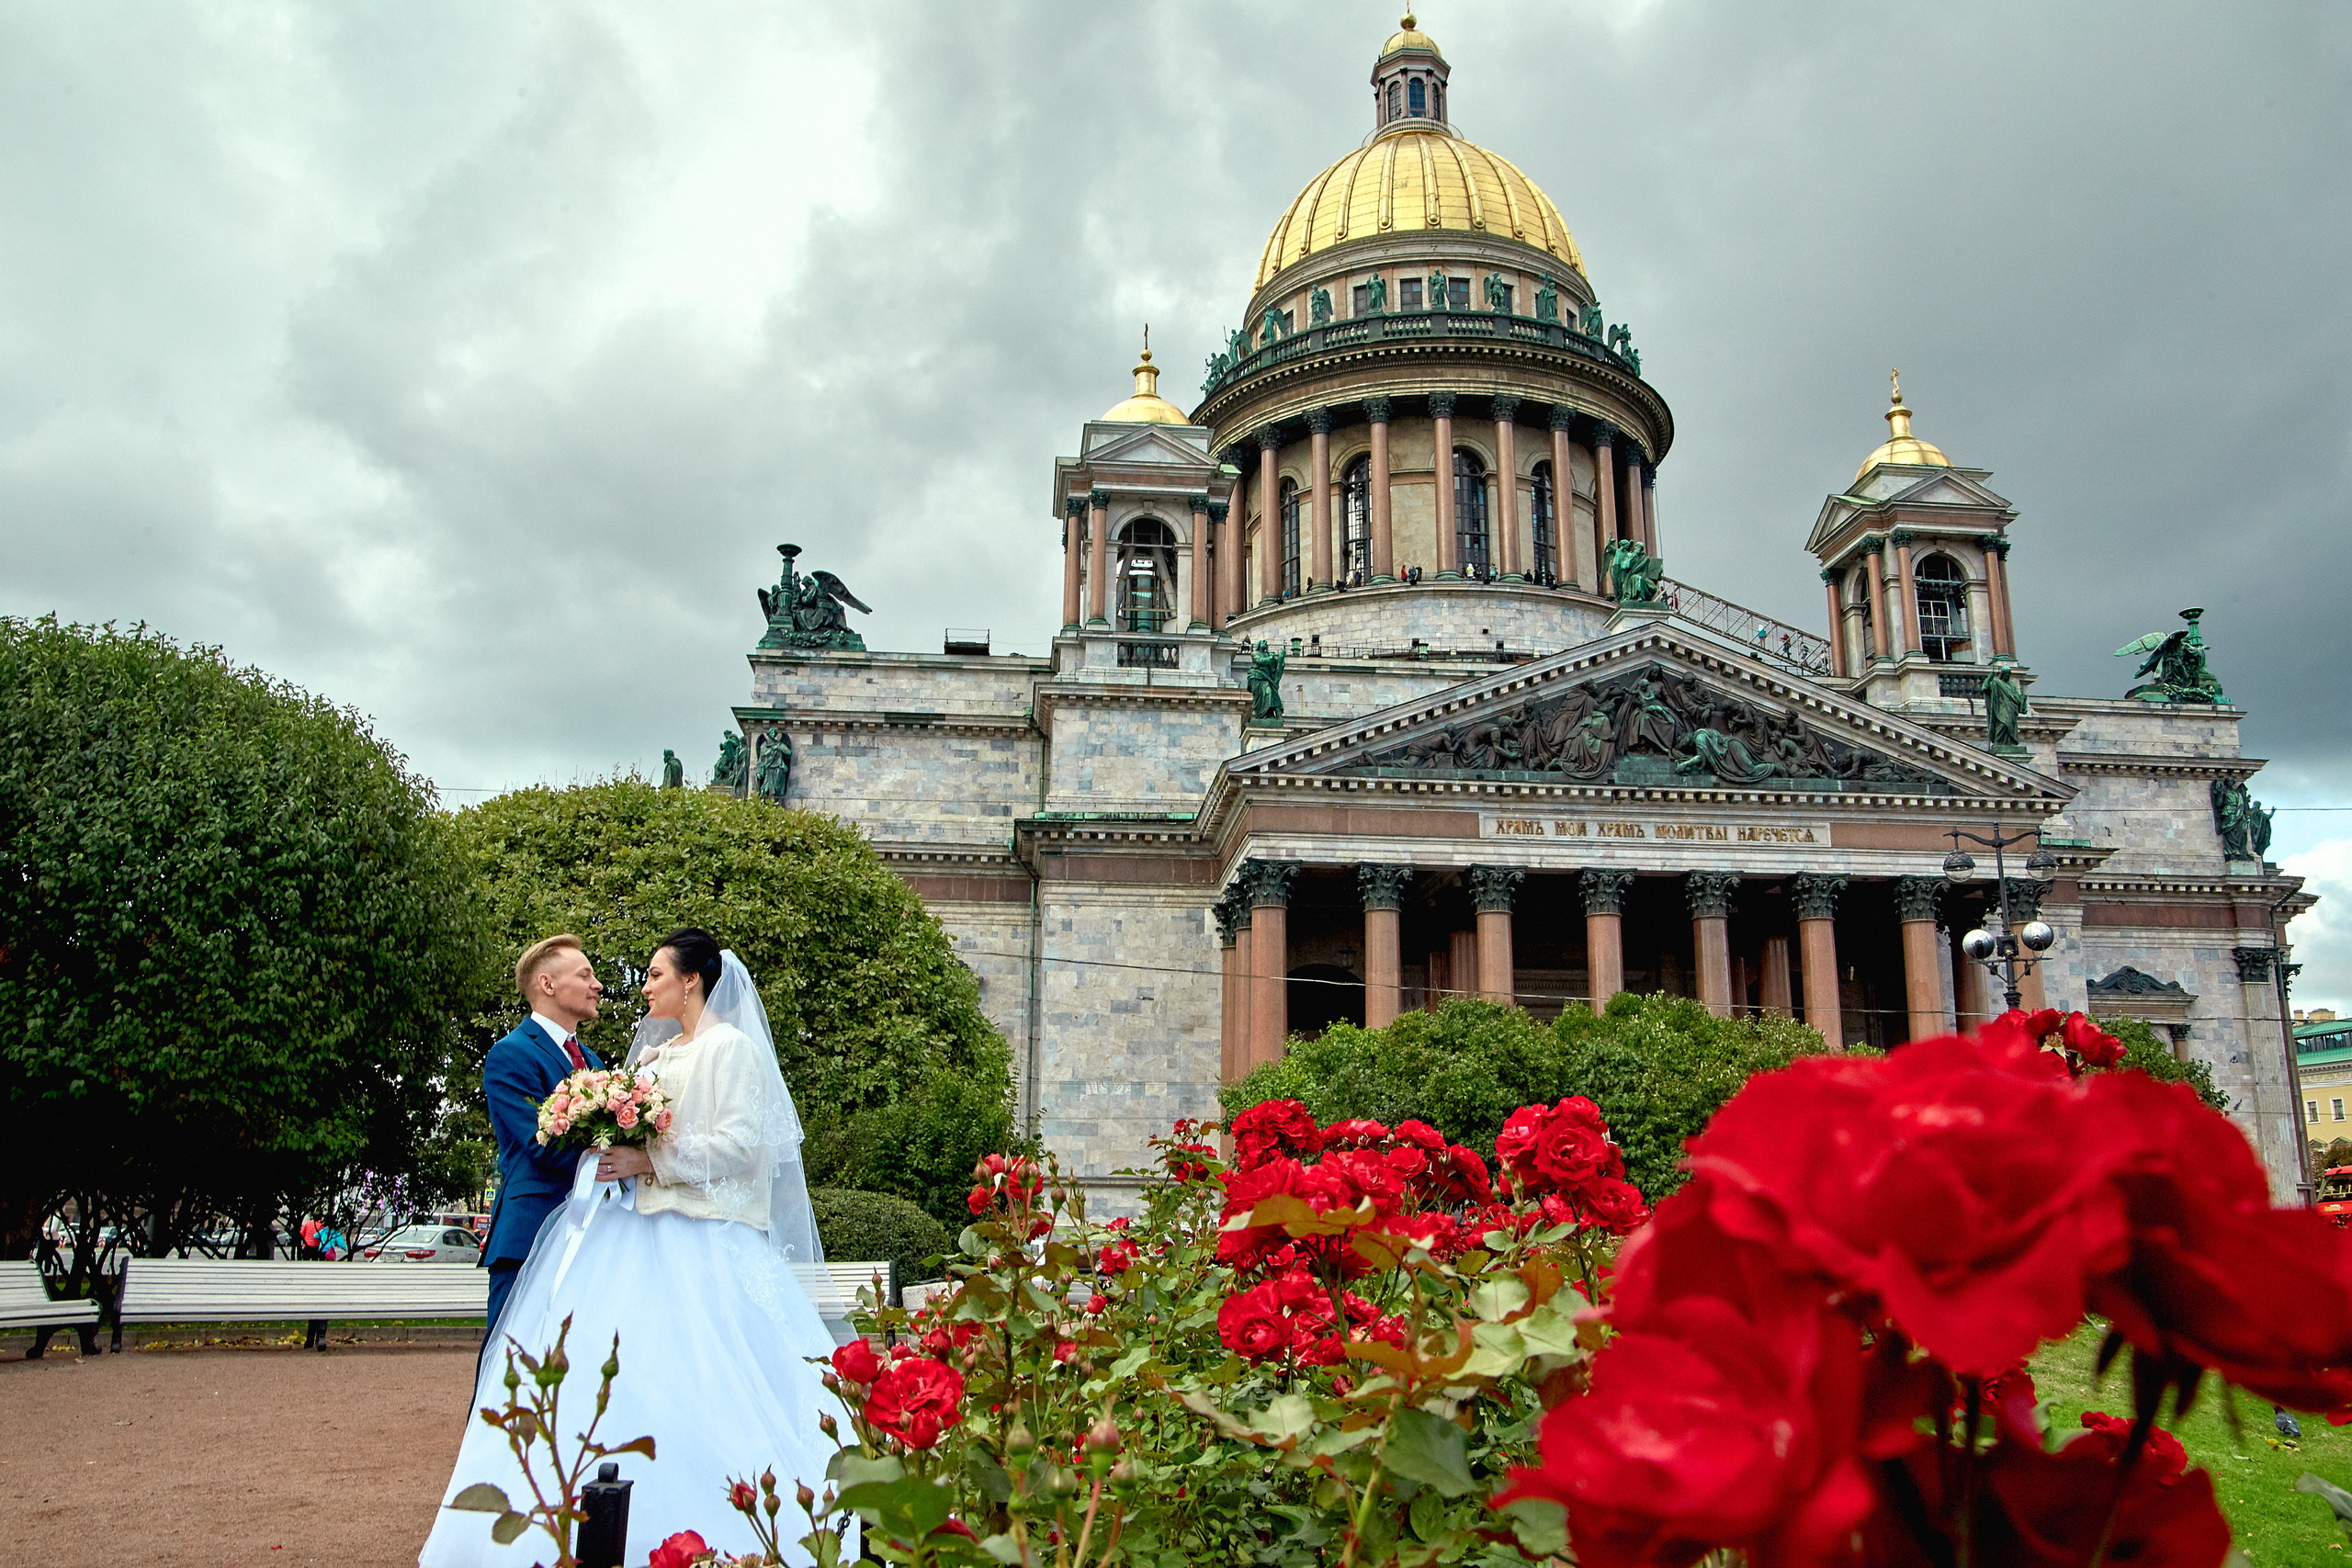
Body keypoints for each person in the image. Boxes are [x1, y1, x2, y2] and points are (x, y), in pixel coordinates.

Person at [421, 929, 851, 1567]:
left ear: (691, 980)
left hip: (692, 1235)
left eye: (653, 973)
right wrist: (621, 1148)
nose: (635, 985)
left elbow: (738, 1147)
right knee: (558, 1368)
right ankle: (540, 1508)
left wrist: (647, 1158)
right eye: (603, 973)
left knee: (703, 1376)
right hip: (597, 1231)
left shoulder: (723, 1049)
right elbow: (553, 1143)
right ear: (547, 984)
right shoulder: (634, 1061)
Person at [477, 935, 607, 1374]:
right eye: (585, 975)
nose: (598, 985)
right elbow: (541, 1146)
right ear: (548, 985)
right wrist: (615, 1160)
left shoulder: (590, 1059)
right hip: (530, 1233)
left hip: (594, 1238)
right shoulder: (510, 1054)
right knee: (509, 1362)